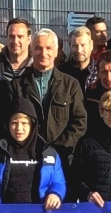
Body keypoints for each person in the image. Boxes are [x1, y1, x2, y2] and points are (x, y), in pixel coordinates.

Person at [0, 97, 66, 212]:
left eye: (24, 123)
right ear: (8, 124)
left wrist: (55, 194)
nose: (19, 128)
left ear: (33, 124)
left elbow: (59, 182)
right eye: (14, 123)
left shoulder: (47, 152)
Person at [11, 28, 88, 159]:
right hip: (27, 157)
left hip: (61, 158)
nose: (43, 53)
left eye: (49, 48)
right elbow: (9, 121)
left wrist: (55, 150)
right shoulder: (16, 85)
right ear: (31, 50)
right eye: (38, 48)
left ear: (56, 52)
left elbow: (79, 122)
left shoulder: (71, 85)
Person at [0, 18, 33, 82]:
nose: (15, 41)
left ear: (29, 39)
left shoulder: (37, 65)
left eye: (20, 36)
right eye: (11, 36)